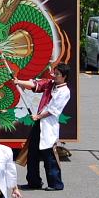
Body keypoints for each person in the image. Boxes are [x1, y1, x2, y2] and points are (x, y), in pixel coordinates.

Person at [13, 63, 71, 191]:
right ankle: (34, 182)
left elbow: (53, 110)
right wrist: (19, 82)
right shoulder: (51, 84)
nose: (54, 76)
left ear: (64, 76)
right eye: (54, 73)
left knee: (48, 155)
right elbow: (35, 84)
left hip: (49, 125)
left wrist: (38, 117)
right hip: (39, 123)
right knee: (32, 153)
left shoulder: (64, 92)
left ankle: (55, 183)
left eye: (57, 74)